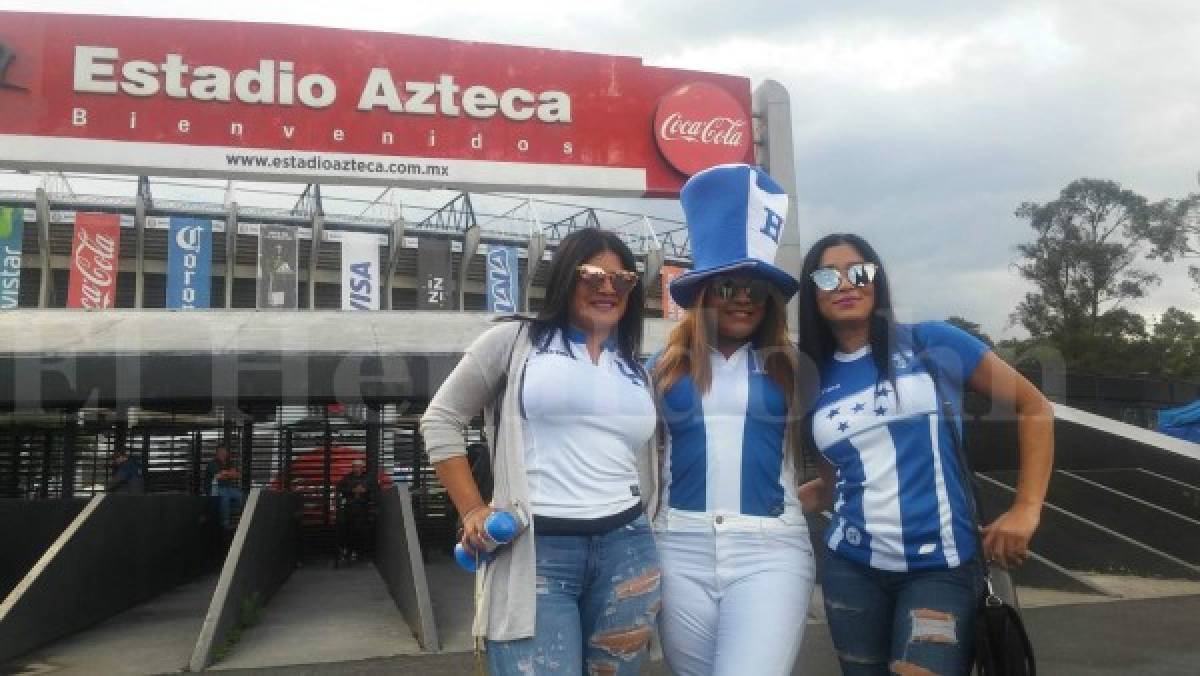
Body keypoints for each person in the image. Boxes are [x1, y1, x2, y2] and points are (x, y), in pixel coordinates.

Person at [795, 233, 1054, 675]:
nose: (844, 284)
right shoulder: (811, 379)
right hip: (850, 570)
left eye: (859, 272)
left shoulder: (932, 343)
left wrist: (1027, 509)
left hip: (942, 569)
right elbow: (837, 481)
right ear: (812, 292)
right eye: (826, 275)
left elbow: (1035, 407)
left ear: (876, 281)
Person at [421, 227, 662, 676]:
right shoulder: (515, 342)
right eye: (593, 275)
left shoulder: (634, 368)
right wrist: (472, 509)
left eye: (622, 279)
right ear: (566, 279)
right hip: (537, 552)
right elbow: (441, 419)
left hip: (628, 549)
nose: (608, 287)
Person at [650, 164, 816, 676]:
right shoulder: (658, 370)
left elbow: (854, 442)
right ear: (704, 294)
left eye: (755, 287)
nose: (743, 296)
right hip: (676, 547)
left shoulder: (795, 368)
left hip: (770, 552)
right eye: (728, 285)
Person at [336, 458, 378, 562]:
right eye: (354, 467)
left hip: (365, 509)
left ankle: (362, 553)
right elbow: (339, 488)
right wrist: (352, 490)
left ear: (362, 468)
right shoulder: (347, 478)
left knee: (363, 531)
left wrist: (365, 491)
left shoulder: (368, 478)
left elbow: (376, 491)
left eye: (359, 467)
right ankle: (349, 551)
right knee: (349, 531)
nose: (356, 469)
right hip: (350, 509)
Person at [206, 445, 243, 531]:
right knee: (225, 497)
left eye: (225, 452)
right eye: (222, 452)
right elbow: (218, 476)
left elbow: (237, 475)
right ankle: (225, 524)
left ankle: (243, 520)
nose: (224, 453)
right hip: (214, 489)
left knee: (241, 496)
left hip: (227, 488)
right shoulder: (213, 463)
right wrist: (229, 474)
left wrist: (225, 473)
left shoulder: (229, 463)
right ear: (217, 453)